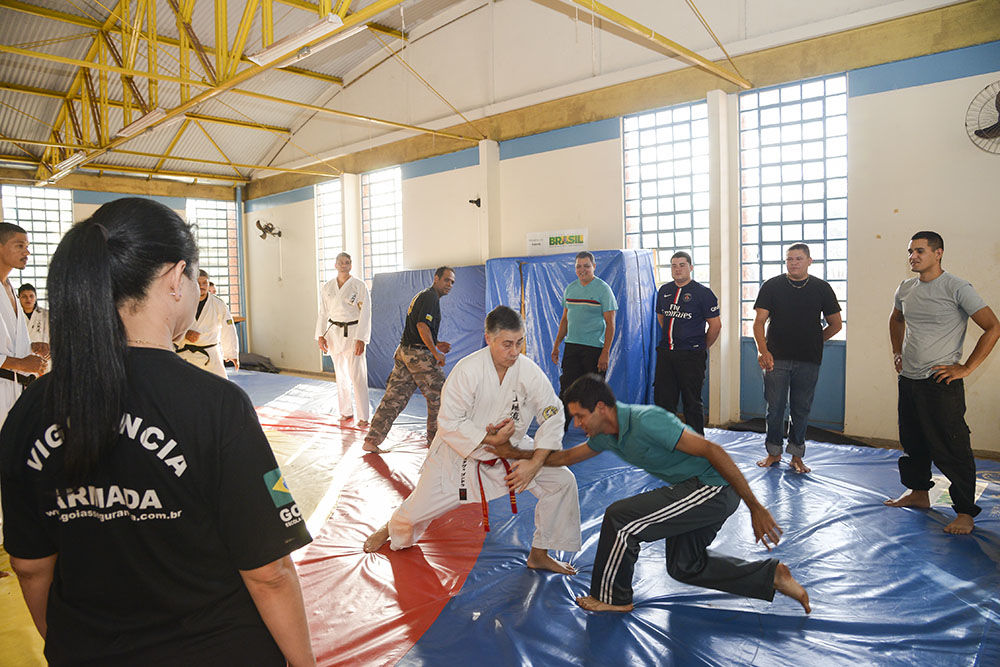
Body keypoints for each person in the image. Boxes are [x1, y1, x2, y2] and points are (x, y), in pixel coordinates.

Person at [0, 198, 314, 666]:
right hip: (214, 648)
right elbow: (269, 572)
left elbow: (29, 567)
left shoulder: (30, 411)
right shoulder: (216, 405)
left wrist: (69, 644)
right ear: (175, 279)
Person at [489, 374, 810, 614]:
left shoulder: (647, 422)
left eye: (580, 416)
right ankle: (771, 577)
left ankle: (613, 598)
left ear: (601, 408)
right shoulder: (607, 435)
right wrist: (513, 451)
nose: (577, 423)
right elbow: (563, 458)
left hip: (712, 489)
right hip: (695, 490)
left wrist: (755, 506)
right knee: (685, 565)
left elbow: (713, 451)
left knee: (621, 518)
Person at [364, 306, 581, 574]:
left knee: (562, 480)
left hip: (511, 453)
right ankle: (390, 528)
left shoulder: (528, 371)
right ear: (489, 339)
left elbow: (553, 414)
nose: (515, 351)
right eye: (507, 344)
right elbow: (449, 423)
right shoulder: (468, 371)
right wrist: (489, 438)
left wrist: (536, 463)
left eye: (520, 342)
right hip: (459, 457)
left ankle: (539, 553)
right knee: (415, 511)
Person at [884, 231, 999, 535]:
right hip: (909, 380)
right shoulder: (906, 288)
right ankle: (919, 493)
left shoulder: (957, 287)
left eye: (920, 251)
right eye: (910, 251)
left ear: (938, 253)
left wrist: (966, 368)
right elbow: (896, 319)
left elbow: (992, 327)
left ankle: (964, 512)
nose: (913, 257)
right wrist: (897, 351)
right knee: (913, 442)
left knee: (952, 447)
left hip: (940, 382)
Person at [753, 243, 842, 473]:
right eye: (790, 259)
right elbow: (759, 323)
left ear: (809, 261)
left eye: (799, 259)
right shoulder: (772, 286)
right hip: (776, 359)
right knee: (775, 408)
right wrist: (763, 350)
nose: (793, 263)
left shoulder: (822, 288)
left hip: (808, 360)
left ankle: (796, 456)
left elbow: (836, 324)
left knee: (801, 409)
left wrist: (815, 340)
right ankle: (773, 453)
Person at [363, 267, 455, 453]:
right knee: (439, 395)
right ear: (436, 278)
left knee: (394, 397)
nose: (449, 285)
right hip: (418, 355)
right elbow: (421, 326)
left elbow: (420, 328)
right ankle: (436, 443)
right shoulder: (430, 297)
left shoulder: (424, 296)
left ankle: (371, 440)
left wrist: (436, 344)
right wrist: (435, 353)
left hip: (405, 352)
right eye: (446, 280)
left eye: (452, 282)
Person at [0, 226, 47, 541]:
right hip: (3, 383)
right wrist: (18, 363)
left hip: (14, 388)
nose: (26, 251)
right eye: (19, 245)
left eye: (27, 245)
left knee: (11, 459)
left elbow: (9, 342)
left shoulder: (8, 287)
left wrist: (32, 349)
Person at [653, 251, 720, 434]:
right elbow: (662, 318)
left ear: (691, 267)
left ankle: (697, 444)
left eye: (682, 265)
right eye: (674, 265)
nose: (677, 269)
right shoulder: (664, 291)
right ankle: (668, 439)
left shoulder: (703, 293)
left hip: (691, 356)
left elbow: (715, 325)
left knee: (692, 401)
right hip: (666, 354)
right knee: (664, 400)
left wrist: (701, 346)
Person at [551, 251, 617, 431]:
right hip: (572, 347)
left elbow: (611, 324)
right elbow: (565, 320)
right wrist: (557, 345)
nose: (582, 270)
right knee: (566, 390)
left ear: (594, 267)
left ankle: (598, 430)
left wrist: (605, 352)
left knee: (595, 393)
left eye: (586, 266)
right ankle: (558, 429)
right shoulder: (570, 289)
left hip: (595, 349)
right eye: (578, 266)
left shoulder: (603, 289)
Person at [316, 253, 371, 426]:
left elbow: (366, 313)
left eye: (347, 262)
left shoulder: (359, 286)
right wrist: (320, 335)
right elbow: (323, 313)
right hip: (334, 333)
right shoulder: (327, 287)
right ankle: (345, 411)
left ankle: (363, 416)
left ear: (351, 265)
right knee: (340, 375)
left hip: (353, 332)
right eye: (340, 262)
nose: (343, 265)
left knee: (357, 375)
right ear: (335, 265)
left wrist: (361, 338)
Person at [175, 269, 239, 378]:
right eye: (198, 283)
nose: (202, 286)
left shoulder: (218, 304)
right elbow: (171, 325)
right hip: (186, 353)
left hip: (211, 355)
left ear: (209, 284)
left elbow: (228, 329)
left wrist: (231, 353)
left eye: (205, 283)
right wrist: (185, 334)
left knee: (220, 388)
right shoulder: (181, 302)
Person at [18, 283, 51, 368]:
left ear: (35, 297)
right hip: (22, 358)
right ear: (19, 298)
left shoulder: (46, 314)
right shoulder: (14, 315)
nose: (28, 299)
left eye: (31, 296)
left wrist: (53, 350)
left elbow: (56, 336)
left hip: (44, 356)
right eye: (24, 296)